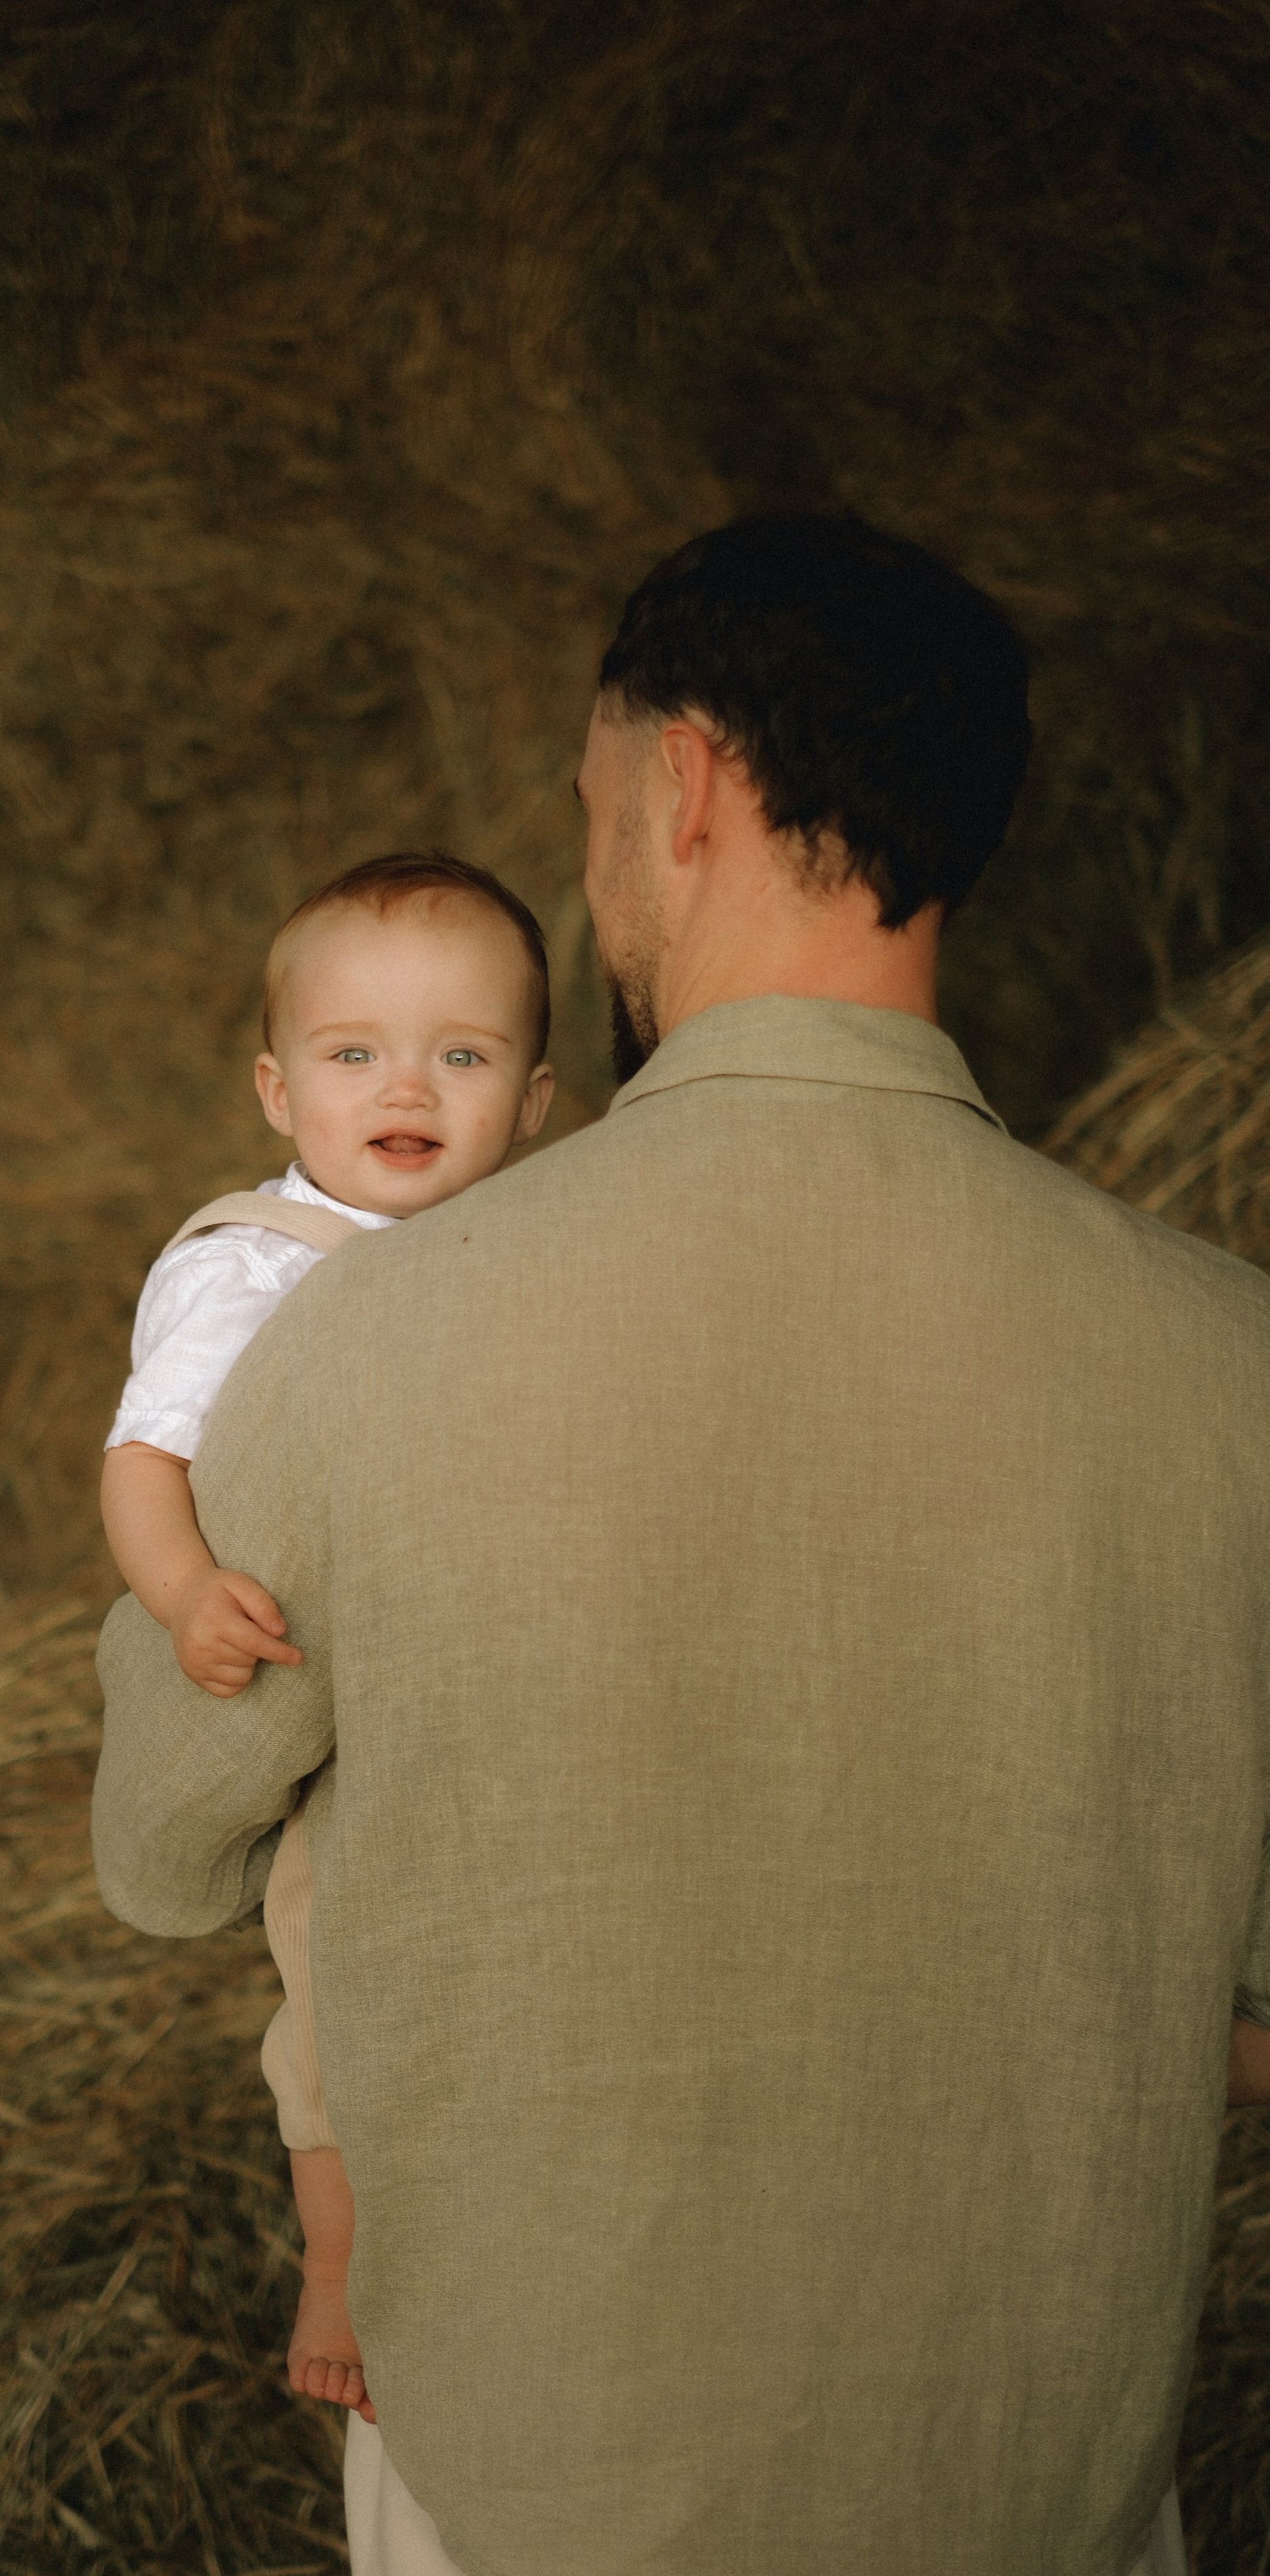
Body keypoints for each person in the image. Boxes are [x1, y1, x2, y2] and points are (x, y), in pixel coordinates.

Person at [93, 512, 1270, 2576]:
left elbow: (163, 1847)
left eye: (589, 811)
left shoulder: (363, 1331)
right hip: (1045, 2488)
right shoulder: (1231, 1360)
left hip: (540, 2482)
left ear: (682, 786)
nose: (595, 875)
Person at [98, 851, 554, 2419]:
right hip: (332, 1704)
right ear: (277, 1092)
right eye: (353, 1054)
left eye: (463, 1053)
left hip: (498, 1687)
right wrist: (182, 1595)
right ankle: (337, 2259)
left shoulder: (534, 1259)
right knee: (339, 1974)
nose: (405, 1085)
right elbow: (144, 1460)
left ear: (537, 1101)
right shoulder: (247, 1267)